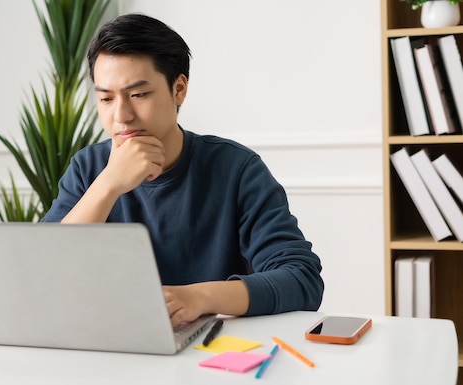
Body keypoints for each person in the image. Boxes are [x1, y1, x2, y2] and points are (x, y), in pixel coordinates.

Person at [42, 13, 324, 327]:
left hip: (212, 353)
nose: (121, 116)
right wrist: (107, 185)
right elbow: (44, 276)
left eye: (138, 95)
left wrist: (199, 298)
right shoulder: (87, 168)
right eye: (106, 98)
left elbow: (302, 279)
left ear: (179, 89)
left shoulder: (237, 169)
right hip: (108, 349)